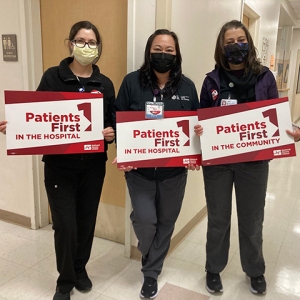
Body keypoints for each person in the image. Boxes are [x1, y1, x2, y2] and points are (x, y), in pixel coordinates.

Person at [1, 21, 115, 300]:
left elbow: (113, 122)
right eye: (80, 40)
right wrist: (17, 126)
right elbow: (37, 117)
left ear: (98, 47)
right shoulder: (52, 77)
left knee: (86, 221)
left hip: (92, 166)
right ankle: (65, 280)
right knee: (65, 224)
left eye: (91, 42)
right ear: (70, 43)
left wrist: (111, 133)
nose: (86, 47)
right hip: (58, 167)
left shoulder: (106, 84)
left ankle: (80, 269)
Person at [112, 29, 199, 299]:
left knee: (166, 222)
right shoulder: (131, 82)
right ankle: (149, 251)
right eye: (158, 49)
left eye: (169, 50)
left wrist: (195, 153)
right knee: (147, 221)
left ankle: (151, 273)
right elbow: (118, 120)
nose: (163, 54)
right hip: (139, 172)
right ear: (149, 52)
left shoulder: (187, 87)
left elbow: (196, 126)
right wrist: (123, 152)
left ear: (177, 54)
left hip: (174, 173)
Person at [194, 20, 278, 295]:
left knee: (252, 219)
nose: (235, 46)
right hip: (218, 164)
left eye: (240, 40)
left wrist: (290, 132)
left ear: (249, 42)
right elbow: (201, 118)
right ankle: (213, 268)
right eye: (229, 42)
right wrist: (198, 128)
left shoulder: (265, 77)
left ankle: (254, 270)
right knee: (218, 219)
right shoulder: (211, 81)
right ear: (221, 47)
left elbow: (275, 119)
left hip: (253, 163)